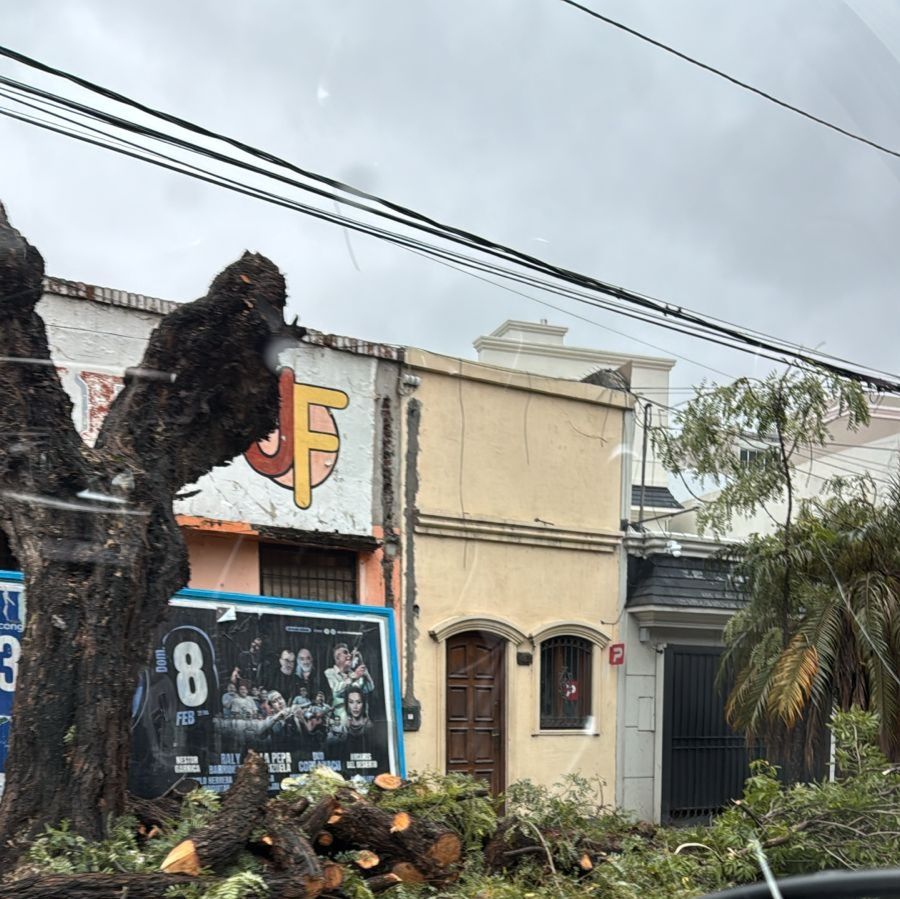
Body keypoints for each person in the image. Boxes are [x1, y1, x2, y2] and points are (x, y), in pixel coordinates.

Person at [325, 643, 374, 721]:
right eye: (345, 653)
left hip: (360, 721)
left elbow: (369, 688)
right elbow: (336, 691)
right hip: (340, 720)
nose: (349, 655)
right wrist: (353, 677)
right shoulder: (329, 672)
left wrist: (364, 670)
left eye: (349, 653)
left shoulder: (354, 673)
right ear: (337, 657)